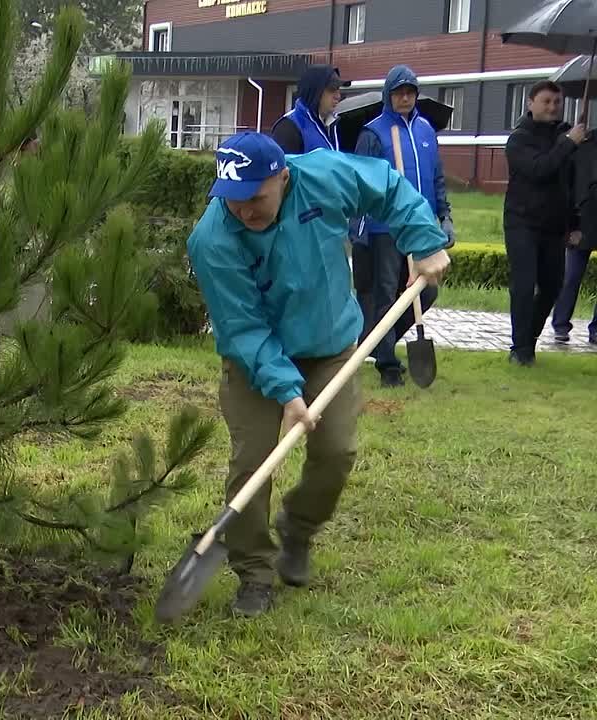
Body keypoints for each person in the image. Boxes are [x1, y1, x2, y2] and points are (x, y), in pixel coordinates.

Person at [187, 132, 450, 617]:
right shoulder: (212, 239)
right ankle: (254, 571)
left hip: (330, 345)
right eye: (233, 199)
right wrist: (286, 392)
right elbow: (243, 328)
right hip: (255, 358)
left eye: (255, 197)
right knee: (253, 463)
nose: (244, 210)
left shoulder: (322, 176)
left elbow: (388, 187)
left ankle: (298, 528)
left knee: (336, 451)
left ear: (282, 176)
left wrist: (424, 238)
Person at [351, 65, 450, 388]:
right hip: (385, 228)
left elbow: (436, 178)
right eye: (399, 92)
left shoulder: (425, 130)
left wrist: (444, 216)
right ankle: (387, 364)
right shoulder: (374, 133)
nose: (405, 97)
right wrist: (360, 231)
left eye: (410, 92)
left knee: (426, 291)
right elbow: (361, 184)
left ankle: (379, 341)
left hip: (421, 229)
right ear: (388, 95)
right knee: (385, 294)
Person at [503, 80, 587, 366]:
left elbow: (570, 182)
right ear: (531, 103)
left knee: (552, 286)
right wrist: (568, 143)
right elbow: (539, 169)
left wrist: (574, 223)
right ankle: (519, 348)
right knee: (524, 286)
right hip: (522, 222)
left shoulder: (565, 135)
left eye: (557, 102)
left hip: (554, 225)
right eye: (546, 102)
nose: (552, 107)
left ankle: (529, 339)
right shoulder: (519, 138)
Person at [551, 129, 597, 345]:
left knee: (571, 275)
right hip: (584, 216)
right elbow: (572, 182)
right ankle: (560, 324)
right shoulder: (584, 144)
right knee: (571, 276)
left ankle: (596, 330)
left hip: (585, 213)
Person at [270, 65, 349, 155]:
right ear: (315, 91)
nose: (338, 96)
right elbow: (282, 167)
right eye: (332, 90)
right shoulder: (289, 127)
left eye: (338, 89)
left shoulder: (333, 125)